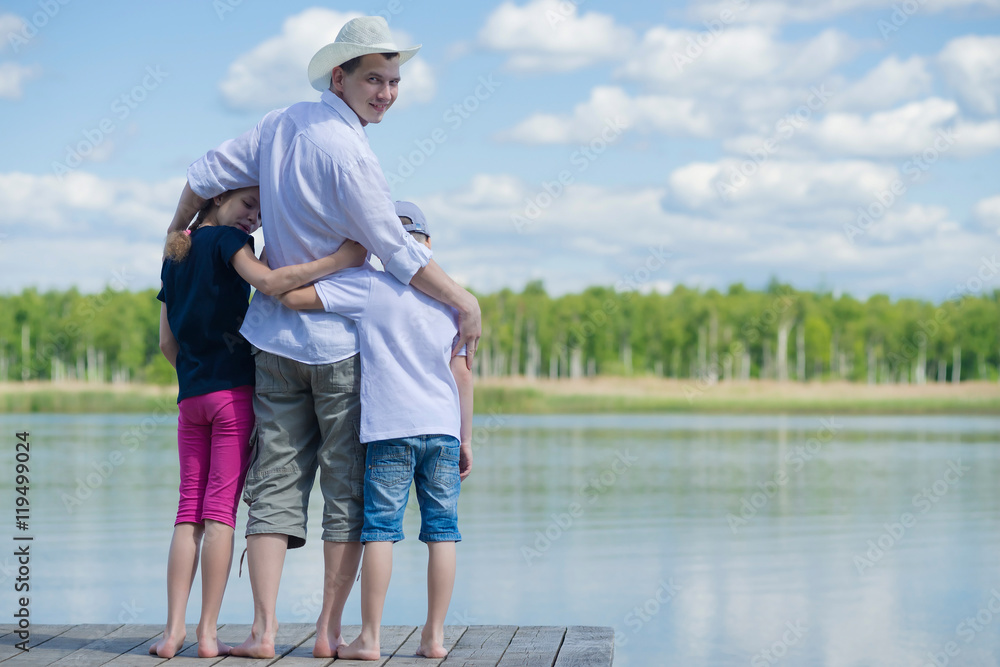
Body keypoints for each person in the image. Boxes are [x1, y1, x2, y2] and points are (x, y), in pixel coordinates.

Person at [164, 16, 480, 659]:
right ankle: (332, 634)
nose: (386, 92)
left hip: (272, 343)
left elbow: (203, 173)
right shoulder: (351, 152)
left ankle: (263, 631)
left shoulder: (277, 125)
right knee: (344, 492)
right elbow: (392, 249)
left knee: (273, 489)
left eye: (393, 81)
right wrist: (463, 302)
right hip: (338, 346)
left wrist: (175, 239)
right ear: (340, 76)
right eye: (374, 79)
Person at [151, 186, 365, 659]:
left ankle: (171, 633)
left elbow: (168, 343)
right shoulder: (231, 242)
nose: (253, 219)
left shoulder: (174, 250)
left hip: (191, 399)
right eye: (248, 205)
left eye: (261, 214)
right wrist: (341, 259)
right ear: (218, 195)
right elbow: (270, 285)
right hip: (233, 397)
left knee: (188, 510)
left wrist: (195, 377)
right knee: (219, 512)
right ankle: (207, 635)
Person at [279, 201, 473, 660]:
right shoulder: (452, 301)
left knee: (380, 531)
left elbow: (294, 297)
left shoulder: (368, 285)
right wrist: (466, 438)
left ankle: (369, 638)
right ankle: (435, 638)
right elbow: (462, 375)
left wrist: (309, 262)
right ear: (429, 245)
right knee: (442, 532)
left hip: (389, 431)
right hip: (443, 431)